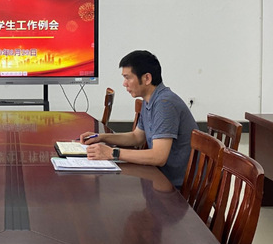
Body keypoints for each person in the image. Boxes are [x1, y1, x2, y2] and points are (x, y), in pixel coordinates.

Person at [81, 50, 197, 188]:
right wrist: (101, 137)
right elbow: (137, 137)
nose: (124, 83)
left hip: (175, 187)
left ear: (147, 78)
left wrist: (112, 153)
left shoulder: (164, 103)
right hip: (160, 178)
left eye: (128, 77)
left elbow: (159, 157)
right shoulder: (150, 100)